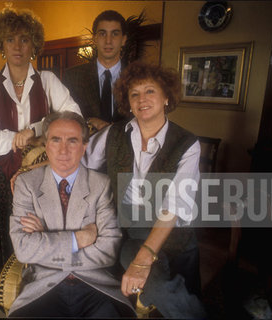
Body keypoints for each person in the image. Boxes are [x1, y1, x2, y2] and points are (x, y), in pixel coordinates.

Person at [0, 8, 81, 309]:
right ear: (0, 45)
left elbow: (73, 117)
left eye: (24, 39)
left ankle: (38, 295)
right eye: (9, 40)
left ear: (34, 45)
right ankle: (3, 297)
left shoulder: (47, 80)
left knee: (37, 229)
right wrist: (14, 138)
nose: (17, 47)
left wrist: (34, 130)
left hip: (40, 170)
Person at [83, 61, 207, 318]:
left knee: (177, 289)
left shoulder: (187, 143)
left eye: (150, 91)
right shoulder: (114, 133)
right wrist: (32, 170)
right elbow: (78, 161)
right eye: (134, 94)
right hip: (131, 229)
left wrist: (143, 260)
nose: (142, 99)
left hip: (174, 233)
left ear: (165, 98)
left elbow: (174, 207)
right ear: (128, 102)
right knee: (158, 288)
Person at [8, 111, 135, 317]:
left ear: (84, 147)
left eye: (73, 141)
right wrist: (79, 239)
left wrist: (45, 240)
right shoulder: (26, 184)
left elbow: (109, 250)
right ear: (46, 145)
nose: (63, 150)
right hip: (44, 286)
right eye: (56, 140)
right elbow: (23, 249)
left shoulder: (101, 185)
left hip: (95, 286)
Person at [63, 10, 127, 130]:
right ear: (95, 38)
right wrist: (88, 121)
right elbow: (64, 115)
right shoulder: (72, 76)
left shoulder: (137, 76)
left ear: (123, 40)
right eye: (103, 34)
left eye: (115, 34)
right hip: (85, 145)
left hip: (127, 146)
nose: (108, 41)